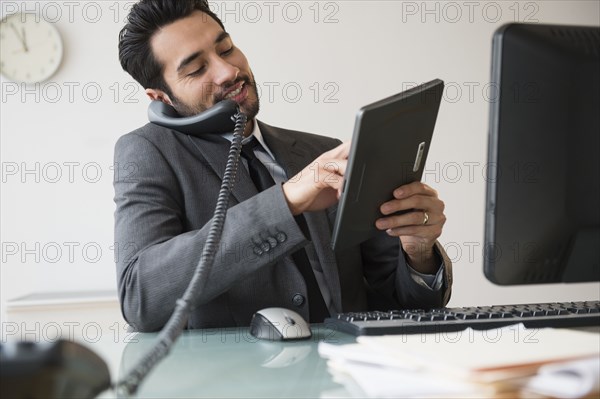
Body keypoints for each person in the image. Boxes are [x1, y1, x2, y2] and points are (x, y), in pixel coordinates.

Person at [115, 0, 453, 332]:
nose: (228, 71)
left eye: (227, 48)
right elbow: (140, 297)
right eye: (196, 69)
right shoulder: (147, 152)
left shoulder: (323, 151)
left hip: (350, 377)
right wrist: (288, 200)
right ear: (160, 97)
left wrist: (418, 254)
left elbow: (401, 304)